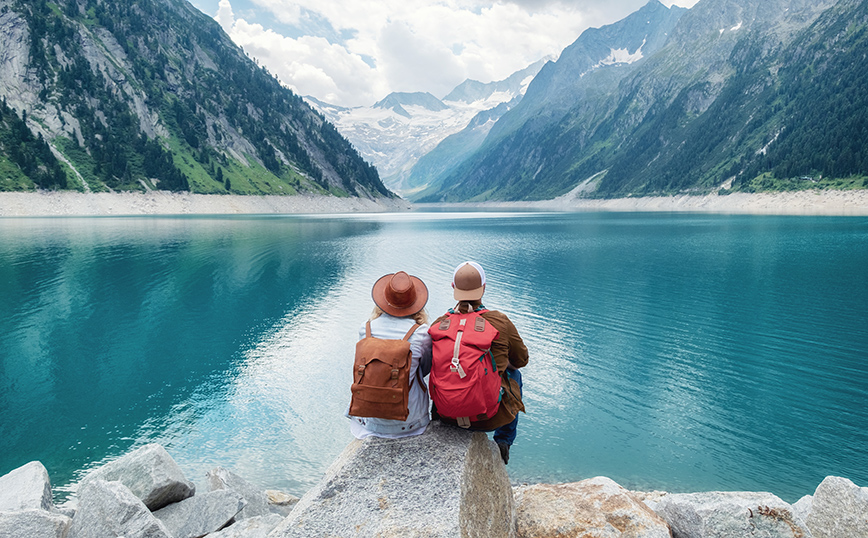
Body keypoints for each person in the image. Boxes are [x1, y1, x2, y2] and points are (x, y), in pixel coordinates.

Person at [432, 261, 528, 464]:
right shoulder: (499, 321)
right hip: (488, 418)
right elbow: (521, 360)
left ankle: (437, 422)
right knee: (515, 375)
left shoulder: (439, 325)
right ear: (484, 287)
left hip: (446, 415)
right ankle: (503, 441)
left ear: (453, 287)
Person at [347, 271, 433, 439]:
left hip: (368, 421)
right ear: (415, 303)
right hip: (409, 423)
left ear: (383, 301)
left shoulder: (366, 329)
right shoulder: (422, 333)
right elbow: (425, 369)